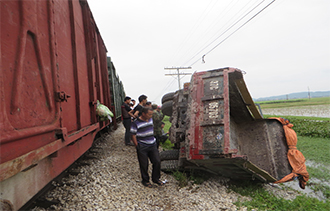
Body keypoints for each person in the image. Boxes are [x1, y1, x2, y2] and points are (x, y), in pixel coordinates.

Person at [130, 107, 164, 188]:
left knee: (157, 161)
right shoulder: (136, 123)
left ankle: (156, 179)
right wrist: (137, 146)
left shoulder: (151, 120)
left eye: (151, 114)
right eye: (149, 114)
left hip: (152, 144)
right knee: (144, 164)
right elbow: (133, 135)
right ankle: (145, 180)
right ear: (143, 114)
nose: (151, 116)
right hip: (142, 146)